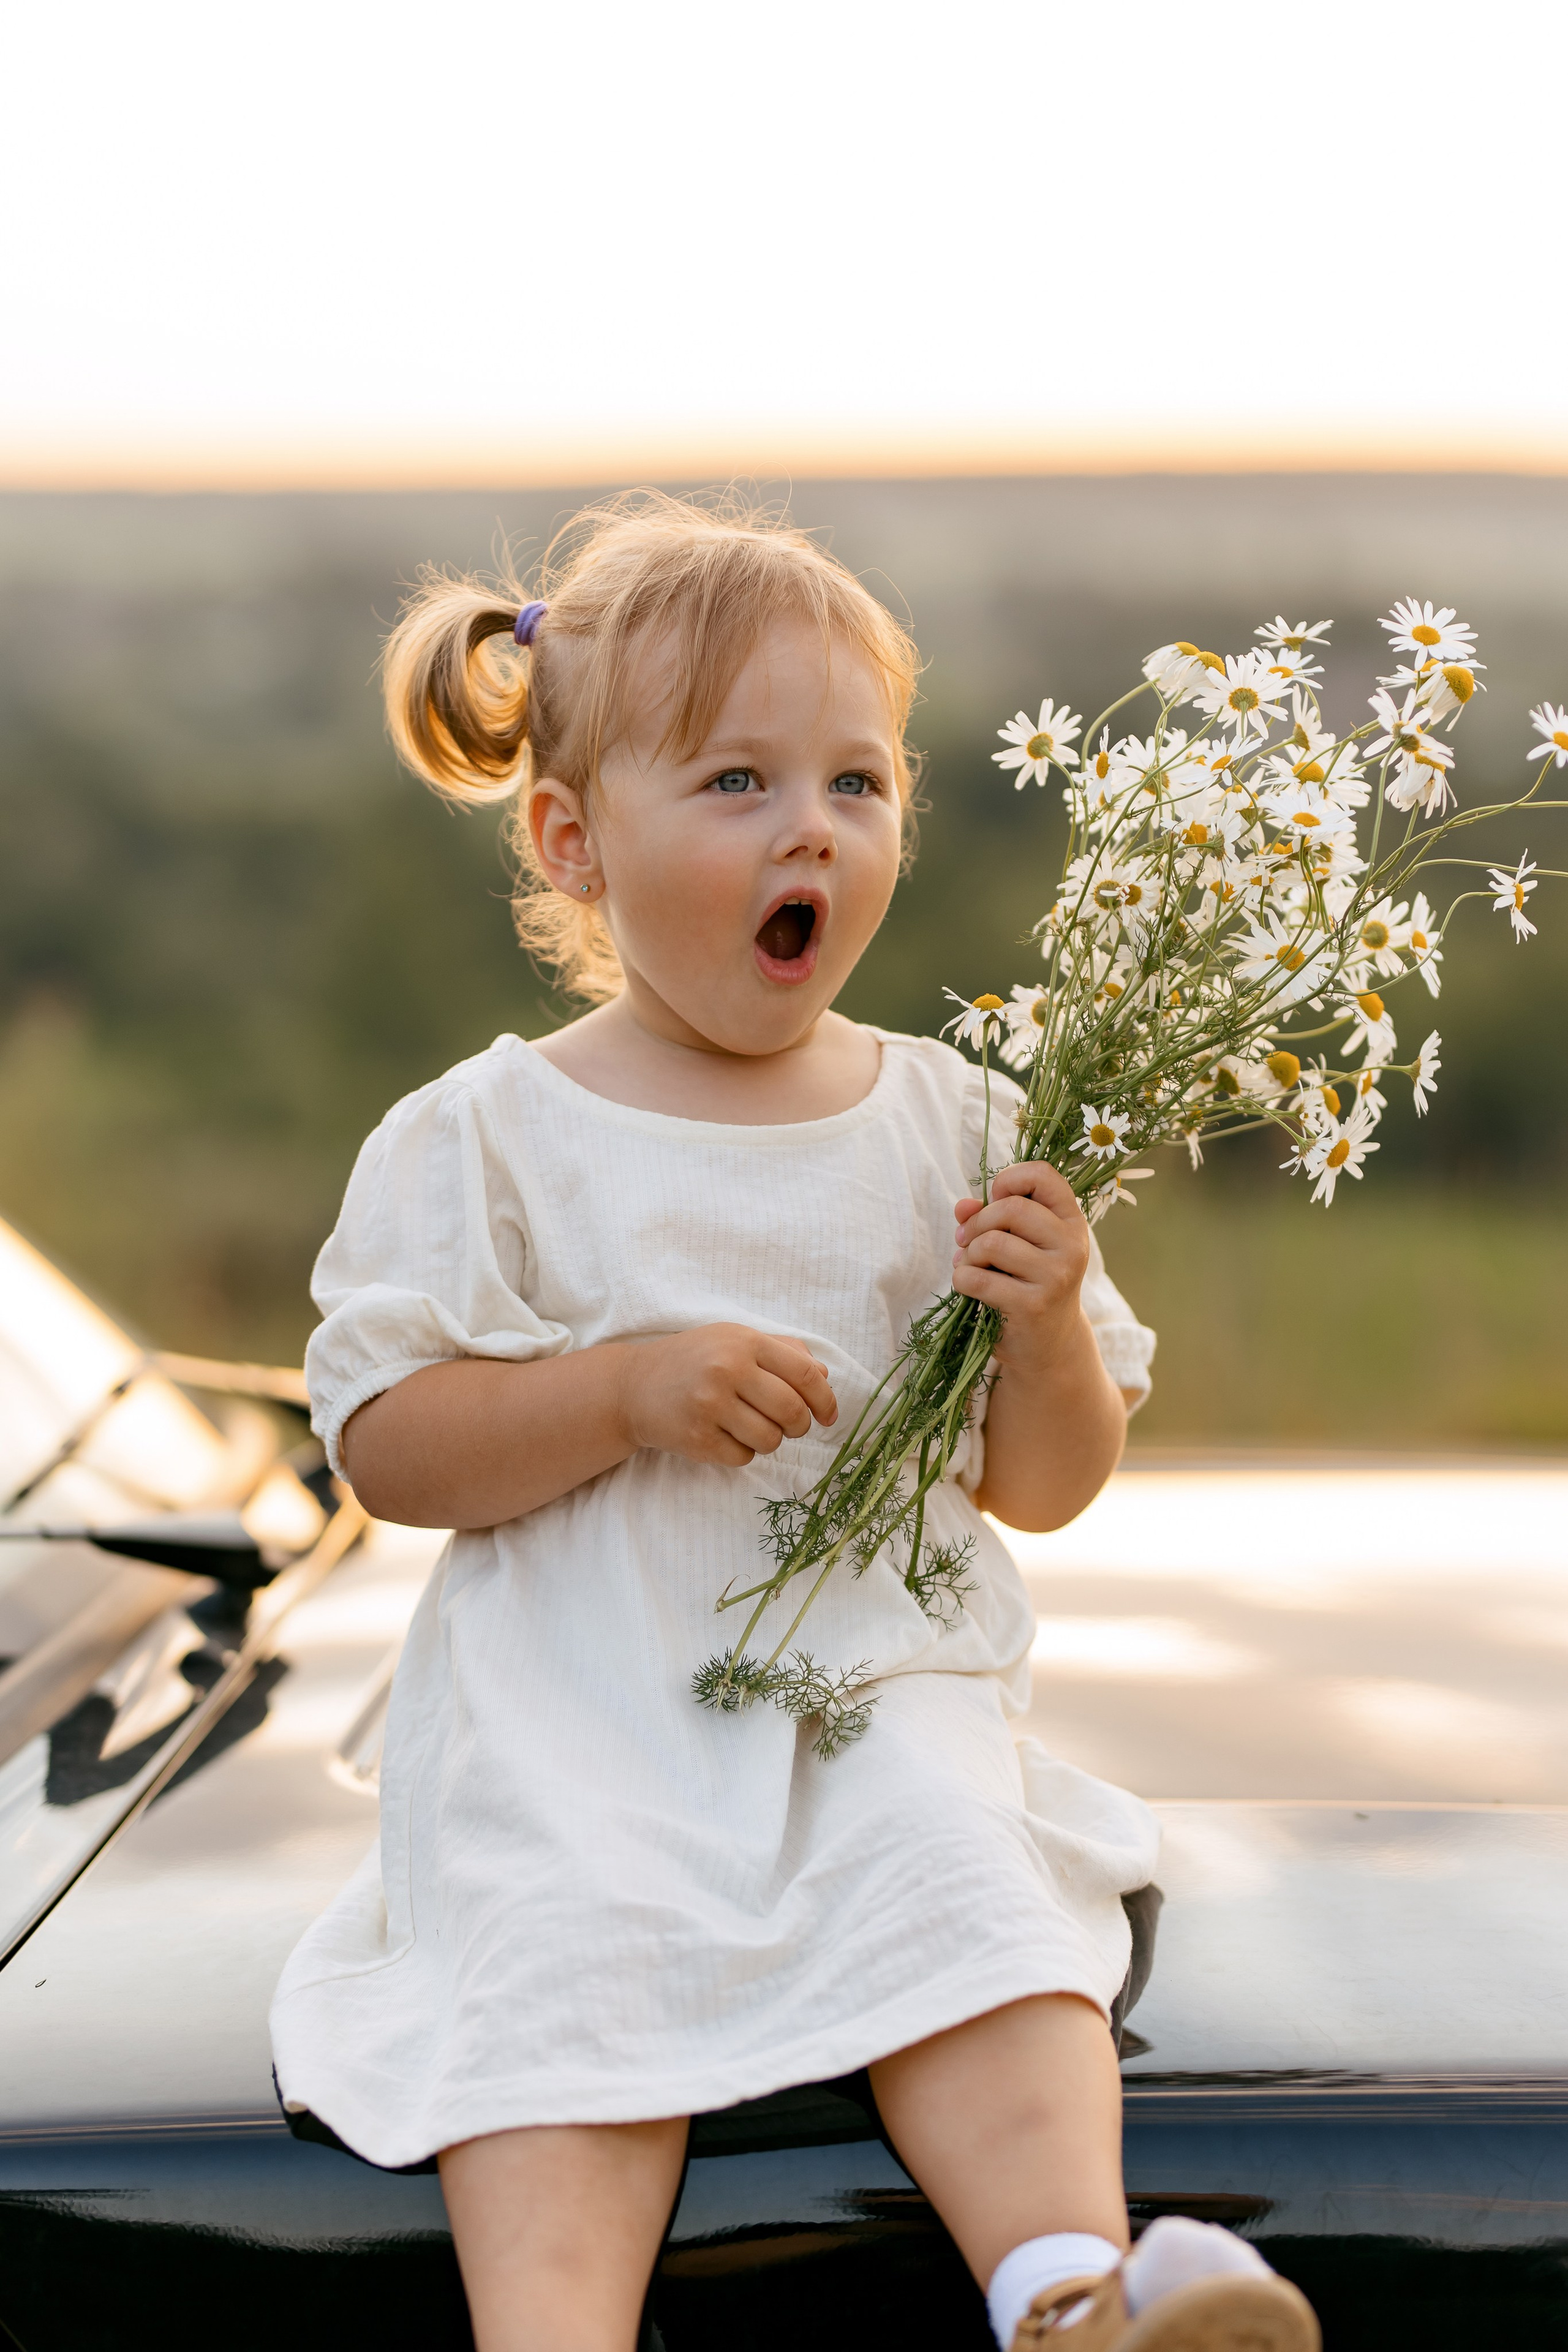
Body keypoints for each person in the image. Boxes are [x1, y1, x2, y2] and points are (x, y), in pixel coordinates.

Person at [270, 492, 1317, 2352]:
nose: (812, 825)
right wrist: (616, 1391)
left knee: (969, 1902)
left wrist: (1049, 1322)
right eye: (740, 782)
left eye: (857, 779)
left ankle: (1068, 2291)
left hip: (869, 1693)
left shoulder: (953, 1123)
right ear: (574, 843)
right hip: (579, 1716)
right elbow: (390, 1445)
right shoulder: (493, 1136)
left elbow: (1050, 1488)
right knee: (556, 1985)